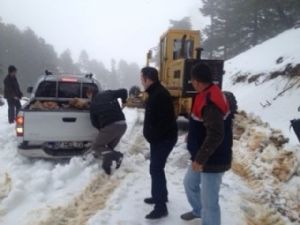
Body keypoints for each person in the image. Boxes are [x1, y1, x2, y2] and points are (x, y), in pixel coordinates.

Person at [181, 63, 233, 225]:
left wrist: (200, 160)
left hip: (212, 159)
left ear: (196, 81)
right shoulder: (205, 93)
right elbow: (204, 124)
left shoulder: (210, 101)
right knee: (190, 183)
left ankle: (207, 217)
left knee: (210, 204)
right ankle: (198, 210)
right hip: (202, 155)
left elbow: (216, 134)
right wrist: (192, 135)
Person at [141, 67, 178, 219]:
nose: (141, 81)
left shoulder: (159, 95)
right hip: (160, 139)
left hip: (164, 139)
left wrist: (154, 137)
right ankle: (160, 197)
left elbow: (165, 122)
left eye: (142, 77)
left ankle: (161, 207)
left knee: (156, 169)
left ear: (148, 79)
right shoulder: (155, 92)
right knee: (156, 169)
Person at [87, 88, 128, 175]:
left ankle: (118, 156)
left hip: (111, 126)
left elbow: (94, 122)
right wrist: (124, 102)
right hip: (123, 125)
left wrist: (103, 131)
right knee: (108, 149)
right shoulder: (108, 93)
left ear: (90, 95)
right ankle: (107, 166)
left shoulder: (93, 104)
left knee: (96, 147)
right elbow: (124, 91)